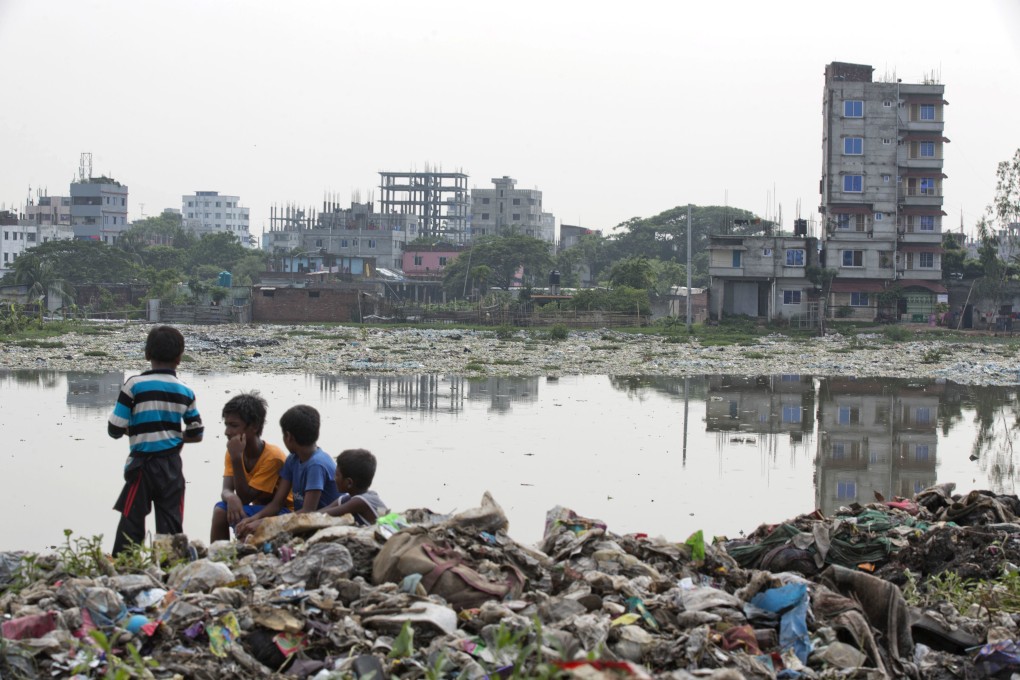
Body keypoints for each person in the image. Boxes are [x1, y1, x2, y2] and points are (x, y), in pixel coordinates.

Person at [107, 326, 204, 556]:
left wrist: (137, 428)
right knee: (170, 522)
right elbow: (197, 433)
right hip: (171, 465)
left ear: (147, 354)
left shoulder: (134, 385)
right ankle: (170, 570)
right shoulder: (185, 391)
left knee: (132, 520)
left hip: (143, 465)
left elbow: (114, 428)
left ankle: (123, 566)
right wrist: (170, 434)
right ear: (179, 358)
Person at [235, 405, 340, 540]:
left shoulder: (316, 465)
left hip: (320, 522)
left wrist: (264, 523)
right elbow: (276, 503)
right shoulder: (293, 459)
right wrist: (254, 519)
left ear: (288, 436)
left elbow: (308, 512)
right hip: (301, 518)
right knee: (247, 524)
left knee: (261, 531)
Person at [210, 392, 292, 542]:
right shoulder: (234, 451)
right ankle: (218, 556)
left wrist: (236, 459)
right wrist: (230, 497)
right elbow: (227, 489)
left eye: (234, 426)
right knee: (220, 511)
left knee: (235, 518)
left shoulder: (272, 457)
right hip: (257, 510)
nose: (227, 432)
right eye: (226, 425)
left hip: (282, 512)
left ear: (254, 426)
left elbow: (245, 497)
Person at [322, 448, 388, 525]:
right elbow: (318, 513)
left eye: (337, 475)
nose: (334, 478)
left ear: (349, 483)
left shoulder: (361, 501)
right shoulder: (347, 499)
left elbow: (323, 515)